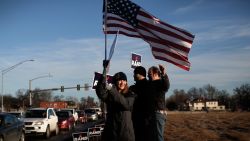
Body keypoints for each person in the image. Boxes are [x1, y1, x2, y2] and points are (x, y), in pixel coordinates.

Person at [96, 61, 136, 141]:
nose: (122, 82)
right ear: (115, 82)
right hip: (111, 133)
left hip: (125, 134)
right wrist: (104, 73)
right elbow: (101, 93)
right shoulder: (110, 95)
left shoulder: (130, 94)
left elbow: (126, 104)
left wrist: (112, 90)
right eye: (120, 80)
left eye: (124, 80)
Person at [148, 65, 170, 141]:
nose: (148, 76)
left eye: (149, 74)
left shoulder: (160, 83)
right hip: (153, 114)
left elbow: (166, 85)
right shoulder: (151, 84)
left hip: (158, 114)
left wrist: (164, 74)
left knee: (158, 137)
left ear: (156, 74)